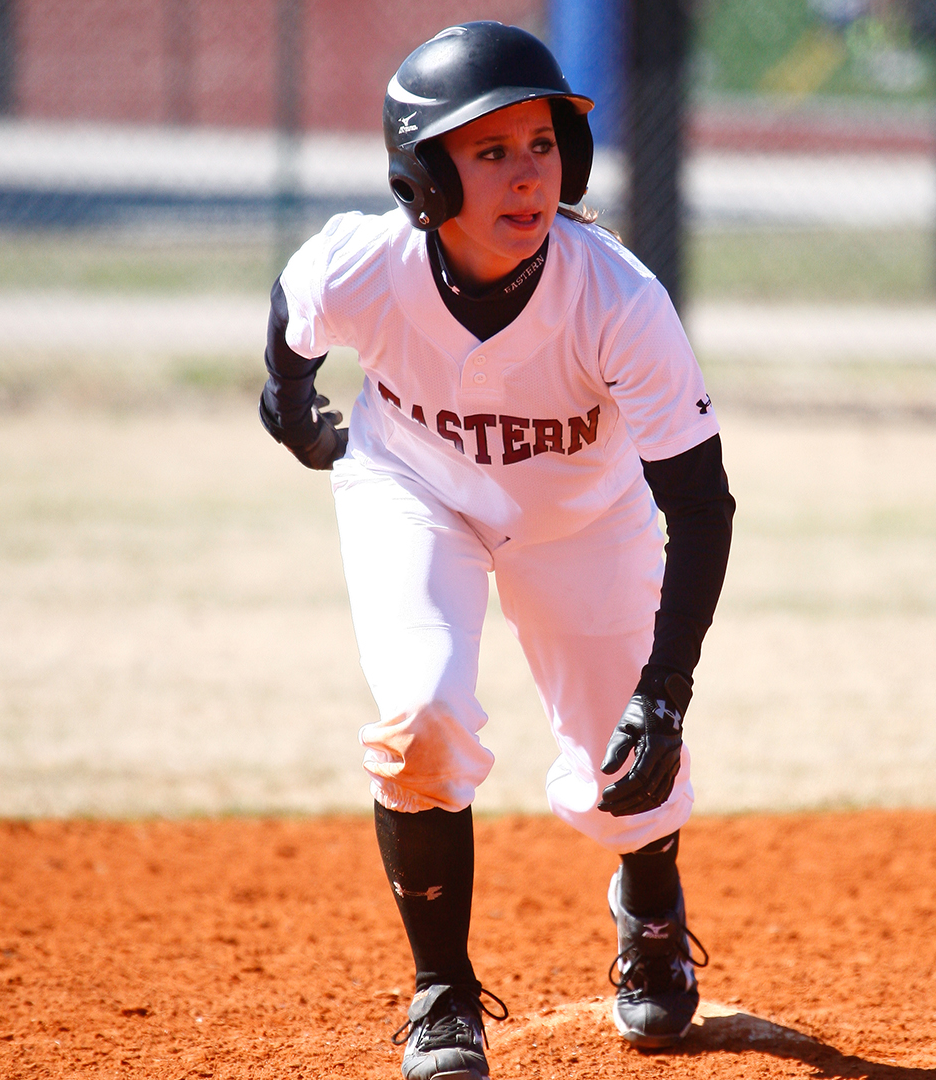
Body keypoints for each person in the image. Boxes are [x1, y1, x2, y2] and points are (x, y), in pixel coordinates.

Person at [257, 21, 734, 1080]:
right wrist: (290, 407)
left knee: (629, 772)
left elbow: (701, 504)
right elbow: (294, 315)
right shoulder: (365, 265)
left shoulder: (617, 300)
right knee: (421, 715)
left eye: (543, 143)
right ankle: (443, 995)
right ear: (423, 177)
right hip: (413, 493)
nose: (529, 175)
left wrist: (666, 691)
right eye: (490, 151)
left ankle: (650, 906)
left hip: (583, 521)